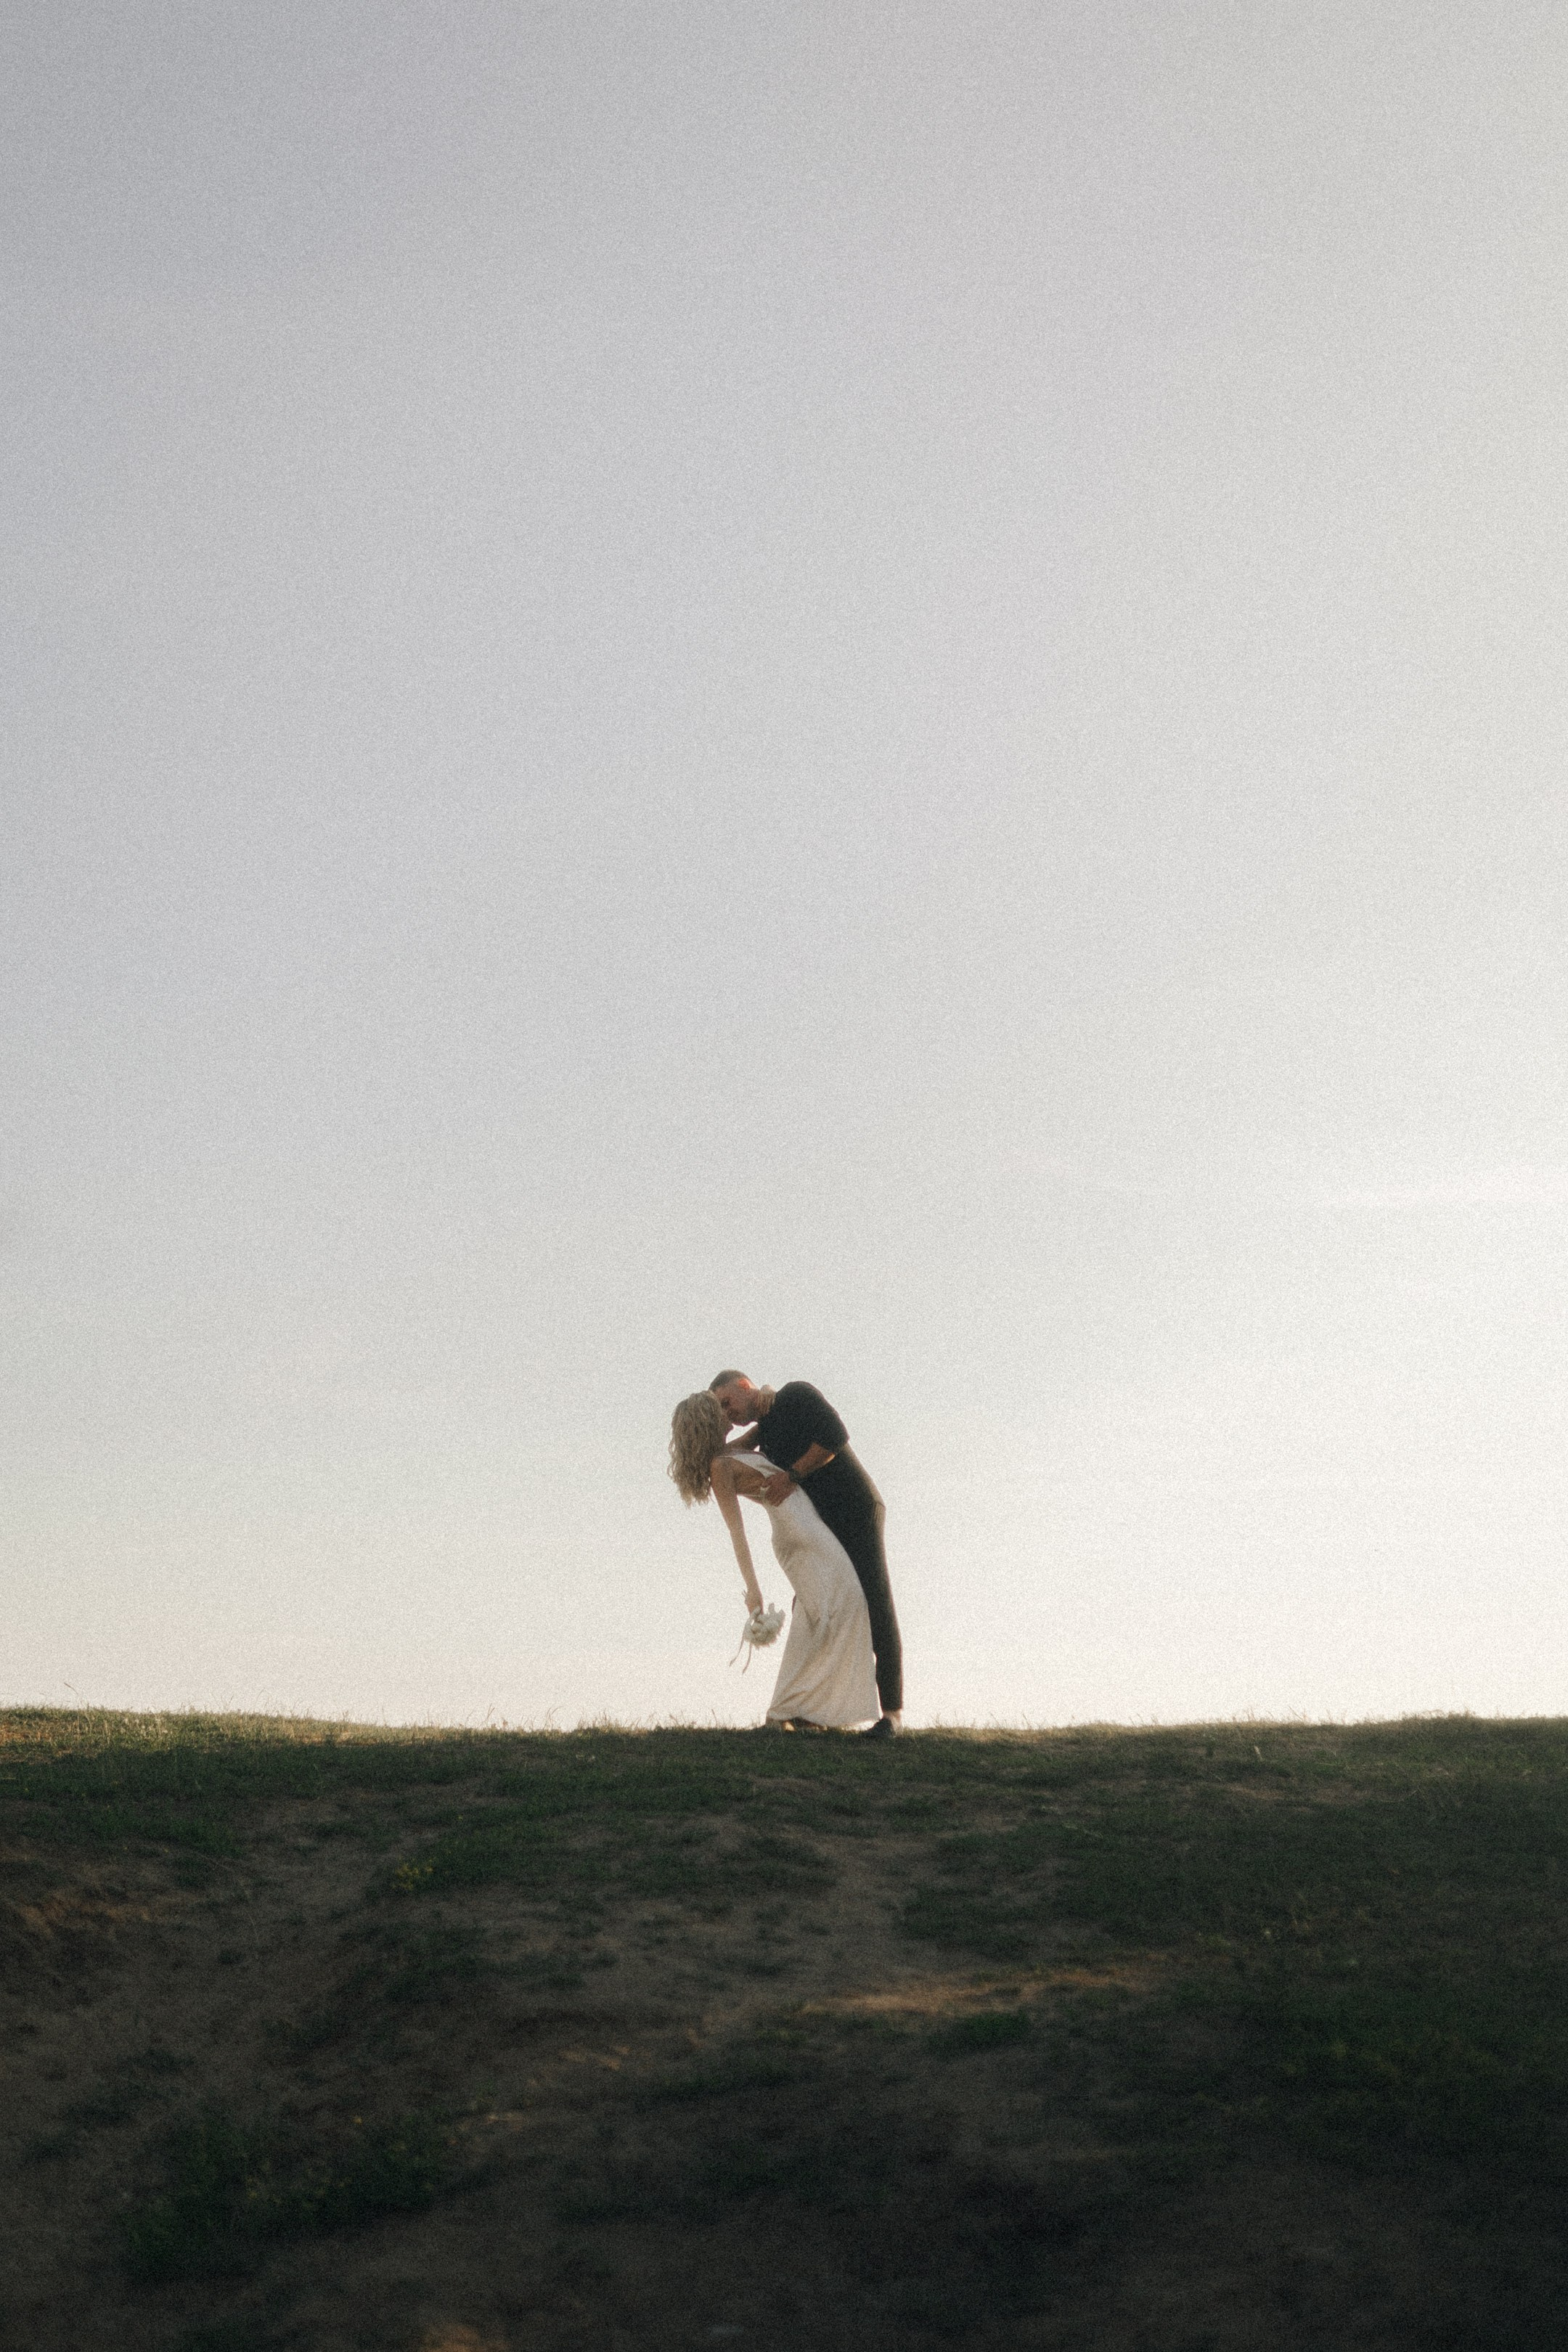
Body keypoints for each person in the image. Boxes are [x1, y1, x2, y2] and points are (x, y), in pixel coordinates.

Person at [669, 1391, 880, 1732]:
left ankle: (795, 1712)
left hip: (804, 1526)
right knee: (847, 1603)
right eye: (718, 1408)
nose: (726, 1412)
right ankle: (795, 1709)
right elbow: (737, 1533)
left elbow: (761, 1427)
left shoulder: (730, 1452)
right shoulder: (720, 1468)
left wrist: (767, 1393)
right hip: (799, 1533)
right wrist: (753, 1589)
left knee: (815, 1616)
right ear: (707, 1420)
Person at [709, 1372, 903, 1737]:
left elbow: (834, 1437)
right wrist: (711, 1430)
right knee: (814, 1607)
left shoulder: (794, 1396)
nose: (728, 1411)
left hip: (855, 1509)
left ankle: (892, 1715)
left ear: (745, 1386)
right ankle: (810, 1709)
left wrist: (792, 1475)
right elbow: (726, 1453)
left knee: (875, 1601)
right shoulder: (764, 1429)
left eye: (727, 1402)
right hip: (822, 1523)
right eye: (721, 1408)